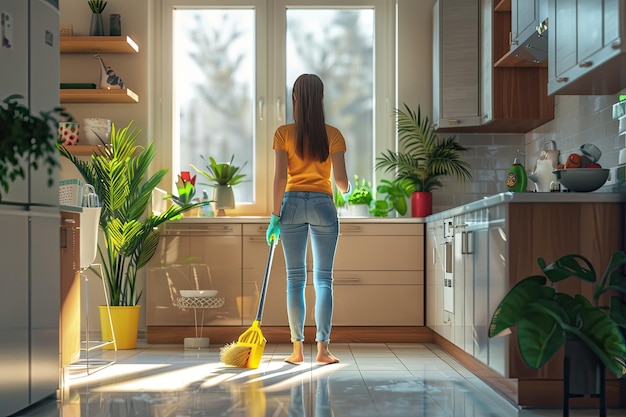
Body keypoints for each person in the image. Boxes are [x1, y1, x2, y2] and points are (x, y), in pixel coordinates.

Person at [266, 73, 350, 365]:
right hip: (323, 205)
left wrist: (275, 216)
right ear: (322, 99)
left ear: (295, 99)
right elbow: (341, 182)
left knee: (295, 280)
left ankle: (297, 351)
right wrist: (347, 187)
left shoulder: (282, 133)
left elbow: (279, 178)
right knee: (324, 279)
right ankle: (323, 351)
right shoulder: (334, 134)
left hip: (290, 205)